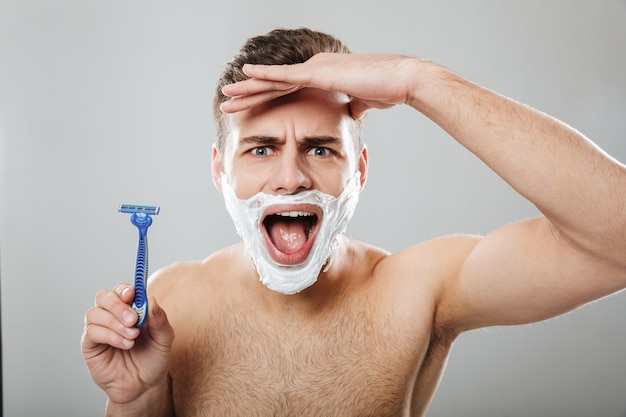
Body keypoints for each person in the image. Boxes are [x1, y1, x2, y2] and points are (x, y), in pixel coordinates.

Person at [81, 28, 626, 417]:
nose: (290, 178)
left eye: (319, 149)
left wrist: (418, 81)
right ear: (220, 172)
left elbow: (616, 240)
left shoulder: (419, 290)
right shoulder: (168, 303)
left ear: (358, 170)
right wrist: (136, 401)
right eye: (261, 149)